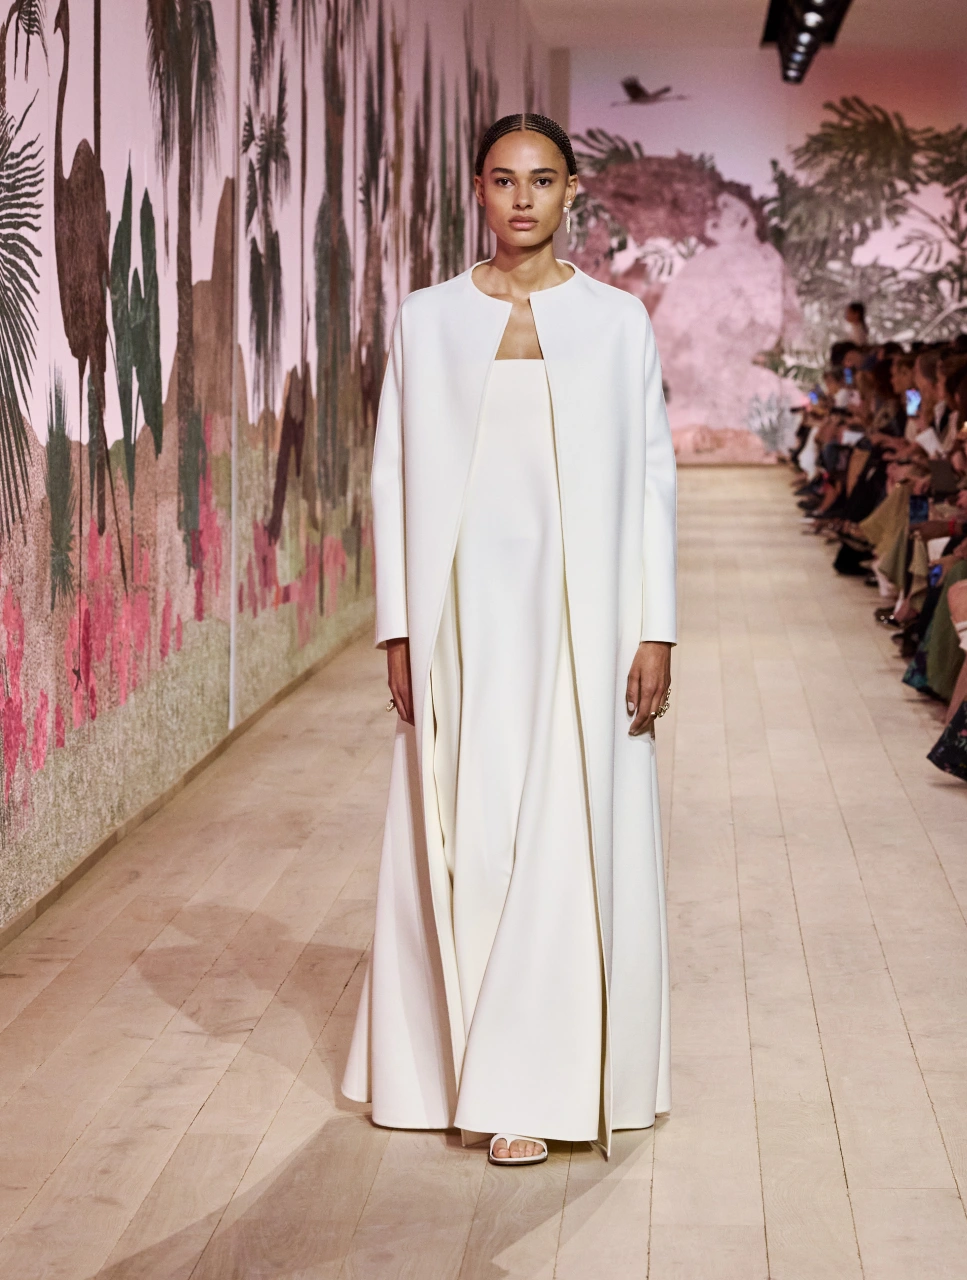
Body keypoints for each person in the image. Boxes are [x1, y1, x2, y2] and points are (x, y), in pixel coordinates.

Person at [342, 113, 678, 1167]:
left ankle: (531, 1079)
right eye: (502, 178)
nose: (522, 197)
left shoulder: (619, 322)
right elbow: (392, 477)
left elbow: (652, 481)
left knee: (570, 826)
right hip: (464, 618)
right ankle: (455, 1064)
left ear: (574, 191)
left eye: (543, 179)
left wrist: (655, 626)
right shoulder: (426, 318)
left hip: (584, 615)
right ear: (476, 190)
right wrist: (399, 626)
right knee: (472, 822)